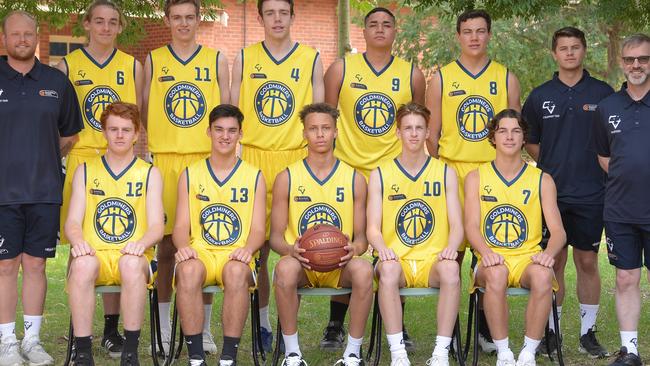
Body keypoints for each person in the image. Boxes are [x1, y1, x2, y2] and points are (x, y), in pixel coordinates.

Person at [322, 6, 426, 349]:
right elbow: (326, 118)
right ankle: (335, 324)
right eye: (373, 24)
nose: (380, 29)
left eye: (387, 24)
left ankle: (398, 323)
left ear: (395, 31)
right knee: (342, 243)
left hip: (394, 172)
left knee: (395, 246)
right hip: (348, 170)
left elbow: (416, 121)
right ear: (362, 31)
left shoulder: (411, 74)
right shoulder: (341, 68)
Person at [230, 0, 324, 351]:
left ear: (293, 17)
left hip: (293, 162)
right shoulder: (244, 57)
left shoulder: (311, 58)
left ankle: (289, 336)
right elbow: (231, 115)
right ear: (260, 18)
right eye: (270, 12)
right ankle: (263, 325)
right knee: (256, 252)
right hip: (253, 158)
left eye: (283, 12)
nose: (277, 19)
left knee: (293, 249)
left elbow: (318, 118)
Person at [426, 9, 521, 352]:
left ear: (489, 35)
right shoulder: (441, 78)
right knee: (452, 252)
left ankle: (483, 329)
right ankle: (448, 336)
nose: (475, 38)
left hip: (490, 176)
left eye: (481, 31)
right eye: (468, 32)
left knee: (488, 253)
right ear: (458, 36)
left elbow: (514, 129)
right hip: (453, 171)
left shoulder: (506, 78)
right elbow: (432, 136)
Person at [55, 1, 145, 357]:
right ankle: (79, 332)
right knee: (83, 245)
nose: (106, 28)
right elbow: (59, 120)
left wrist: (141, 158)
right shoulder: (67, 65)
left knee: (117, 238)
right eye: (99, 22)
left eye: (112, 22)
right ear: (87, 25)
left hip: (123, 161)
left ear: (120, 27)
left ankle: (110, 330)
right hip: (83, 159)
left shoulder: (133, 66)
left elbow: (141, 119)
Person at [143, 0, 230, 354]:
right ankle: (164, 329)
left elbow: (224, 111)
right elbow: (146, 109)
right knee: (165, 248)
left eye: (189, 17)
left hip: (202, 163)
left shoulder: (216, 59)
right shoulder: (152, 59)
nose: (182, 23)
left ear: (198, 20)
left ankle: (205, 330)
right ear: (167, 20)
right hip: (165, 160)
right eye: (176, 17)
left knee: (206, 246)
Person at [522, 26, 613, 358]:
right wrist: (551, 165)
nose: (570, 53)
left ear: (584, 50)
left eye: (576, 47)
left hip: (592, 193)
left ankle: (588, 333)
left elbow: (613, 141)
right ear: (554, 53)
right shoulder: (540, 95)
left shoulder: (604, 94)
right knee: (553, 262)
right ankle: (552, 332)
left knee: (587, 261)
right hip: (552, 196)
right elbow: (530, 141)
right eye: (564, 48)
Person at [0, 10, 82, 366]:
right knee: (4, 267)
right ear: (4, 38)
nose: (21, 40)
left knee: (35, 266)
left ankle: (32, 340)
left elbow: (70, 135)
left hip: (45, 192)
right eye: (14, 34)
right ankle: (6, 342)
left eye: (27, 34)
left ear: (37, 37)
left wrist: (45, 156)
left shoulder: (56, 82)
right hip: (2, 195)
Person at [270, 103, 372, 366]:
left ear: (336, 132)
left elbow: (362, 237)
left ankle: (352, 353)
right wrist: (291, 250)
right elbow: (275, 238)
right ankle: (292, 353)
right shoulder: (287, 177)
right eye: (313, 129)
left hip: (340, 264)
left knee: (363, 271)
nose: (320, 134)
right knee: (284, 269)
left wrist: (355, 248)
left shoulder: (354, 178)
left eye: (325, 128)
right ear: (304, 133)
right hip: (303, 263)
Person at [65, 102, 164, 366]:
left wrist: (140, 244)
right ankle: (83, 352)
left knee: (131, 265)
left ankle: (130, 352)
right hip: (96, 253)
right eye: (113, 129)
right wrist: (78, 242)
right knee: (83, 264)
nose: (119, 135)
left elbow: (156, 226)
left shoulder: (149, 173)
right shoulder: (85, 170)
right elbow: (73, 221)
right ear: (104, 132)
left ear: (136, 134)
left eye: (126, 130)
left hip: (133, 254)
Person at [464, 109, 566, 366]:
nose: (509, 137)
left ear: (523, 139)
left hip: (526, 258)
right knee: (496, 274)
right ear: (493, 138)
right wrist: (486, 253)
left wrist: (547, 254)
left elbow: (558, 233)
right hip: (490, 257)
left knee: (544, 275)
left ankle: (528, 353)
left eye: (516, 131)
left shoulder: (542, 179)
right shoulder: (476, 177)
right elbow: (471, 227)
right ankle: (504, 352)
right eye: (503, 131)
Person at [367, 102, 463, 366]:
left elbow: (457, 225)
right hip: (396, 260)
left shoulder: (445, 172)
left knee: (452, 270)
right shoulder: (380, 174)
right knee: (386, 270)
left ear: (428, 133)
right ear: (397, 133)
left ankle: (441, 353)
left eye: (419, 128)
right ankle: (398, 354)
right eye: (407, 128)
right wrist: (380, 247)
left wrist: (452, 247)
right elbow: (372, 227)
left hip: (432, 260)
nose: (413, 134)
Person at [173, 104, 266, 366]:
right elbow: (181, 226)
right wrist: (183, 246)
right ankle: (196, 358)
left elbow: (259, 229)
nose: (225, 136)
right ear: (209, 132)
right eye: (219, 130)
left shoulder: (254, 176)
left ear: (240, 134)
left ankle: (228, 358)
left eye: (231, 131)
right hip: (201, 250)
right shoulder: (190, 174)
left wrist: (248, 249)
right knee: (188, 271)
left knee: (237, 272)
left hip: (235, 251)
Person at [593, 33, 650, 366]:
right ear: (622, 63)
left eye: (643, 58)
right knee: (626, 278)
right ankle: (630, 351)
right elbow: (604, 156)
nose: (636, 65)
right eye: (630, 59)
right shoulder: (607, 107)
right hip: (620, 209)